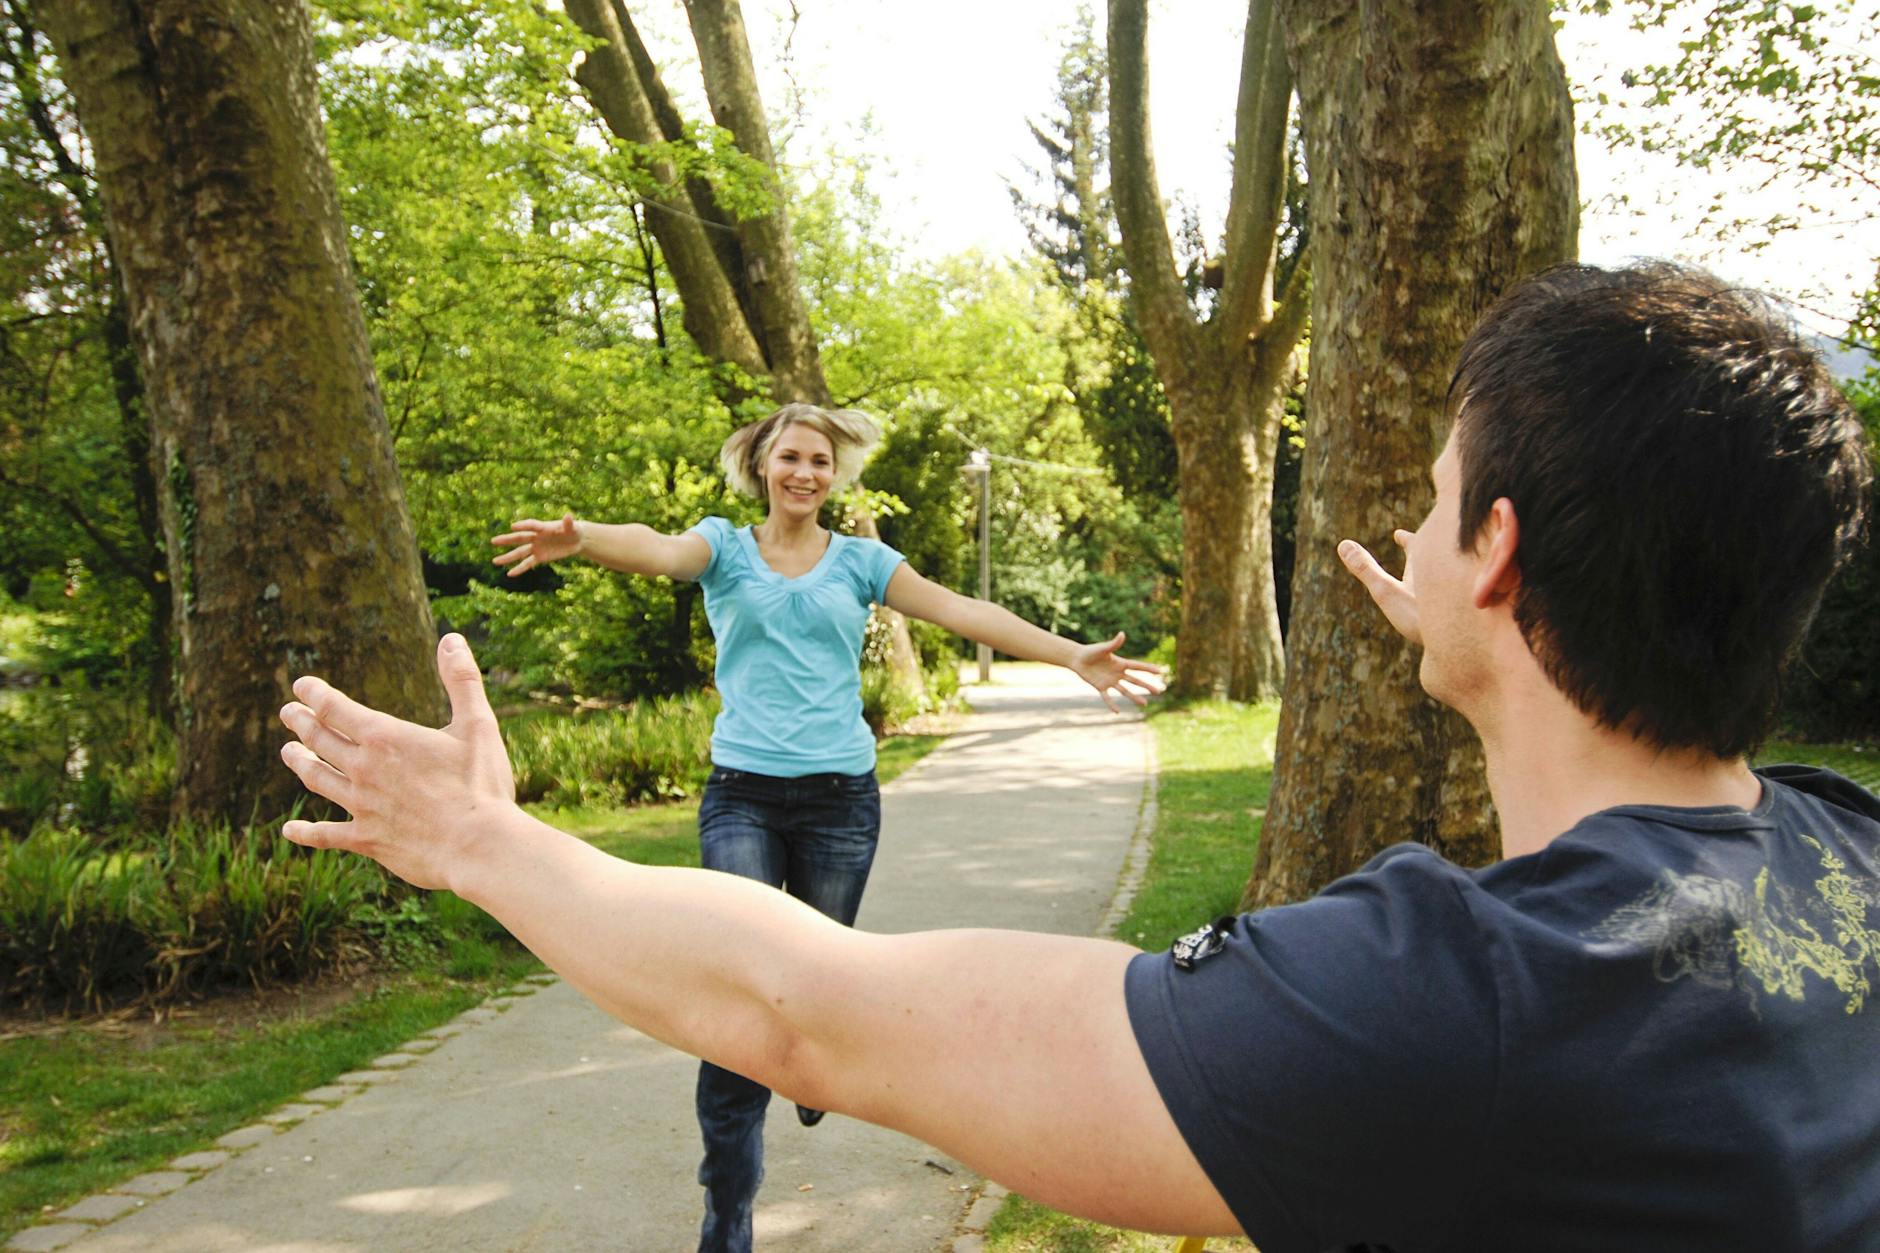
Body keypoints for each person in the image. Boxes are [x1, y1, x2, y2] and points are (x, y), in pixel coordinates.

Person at [277, 263, 1879, 1249]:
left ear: (1502, 553)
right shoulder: (1846, 848)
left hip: (819, 796)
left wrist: (483, 839)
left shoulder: (1453, 1007)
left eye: (1442, 493)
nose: (1414, 517)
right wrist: (1470, 641)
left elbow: (806, 1010)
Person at [483, 402, 1163, 1252]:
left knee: (816, 978)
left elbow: (960, 609)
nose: (805, 472)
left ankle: (809, 1056)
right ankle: (727, 1209)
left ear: (835, 476)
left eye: (820, 461)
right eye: (791, 457)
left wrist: (1069, 654)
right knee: (737, 997)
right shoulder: (725, 548)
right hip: (743, 796)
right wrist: (583, 540)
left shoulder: (862, 561)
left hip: (842, 800)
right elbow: (658, 550)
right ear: (762, 465)